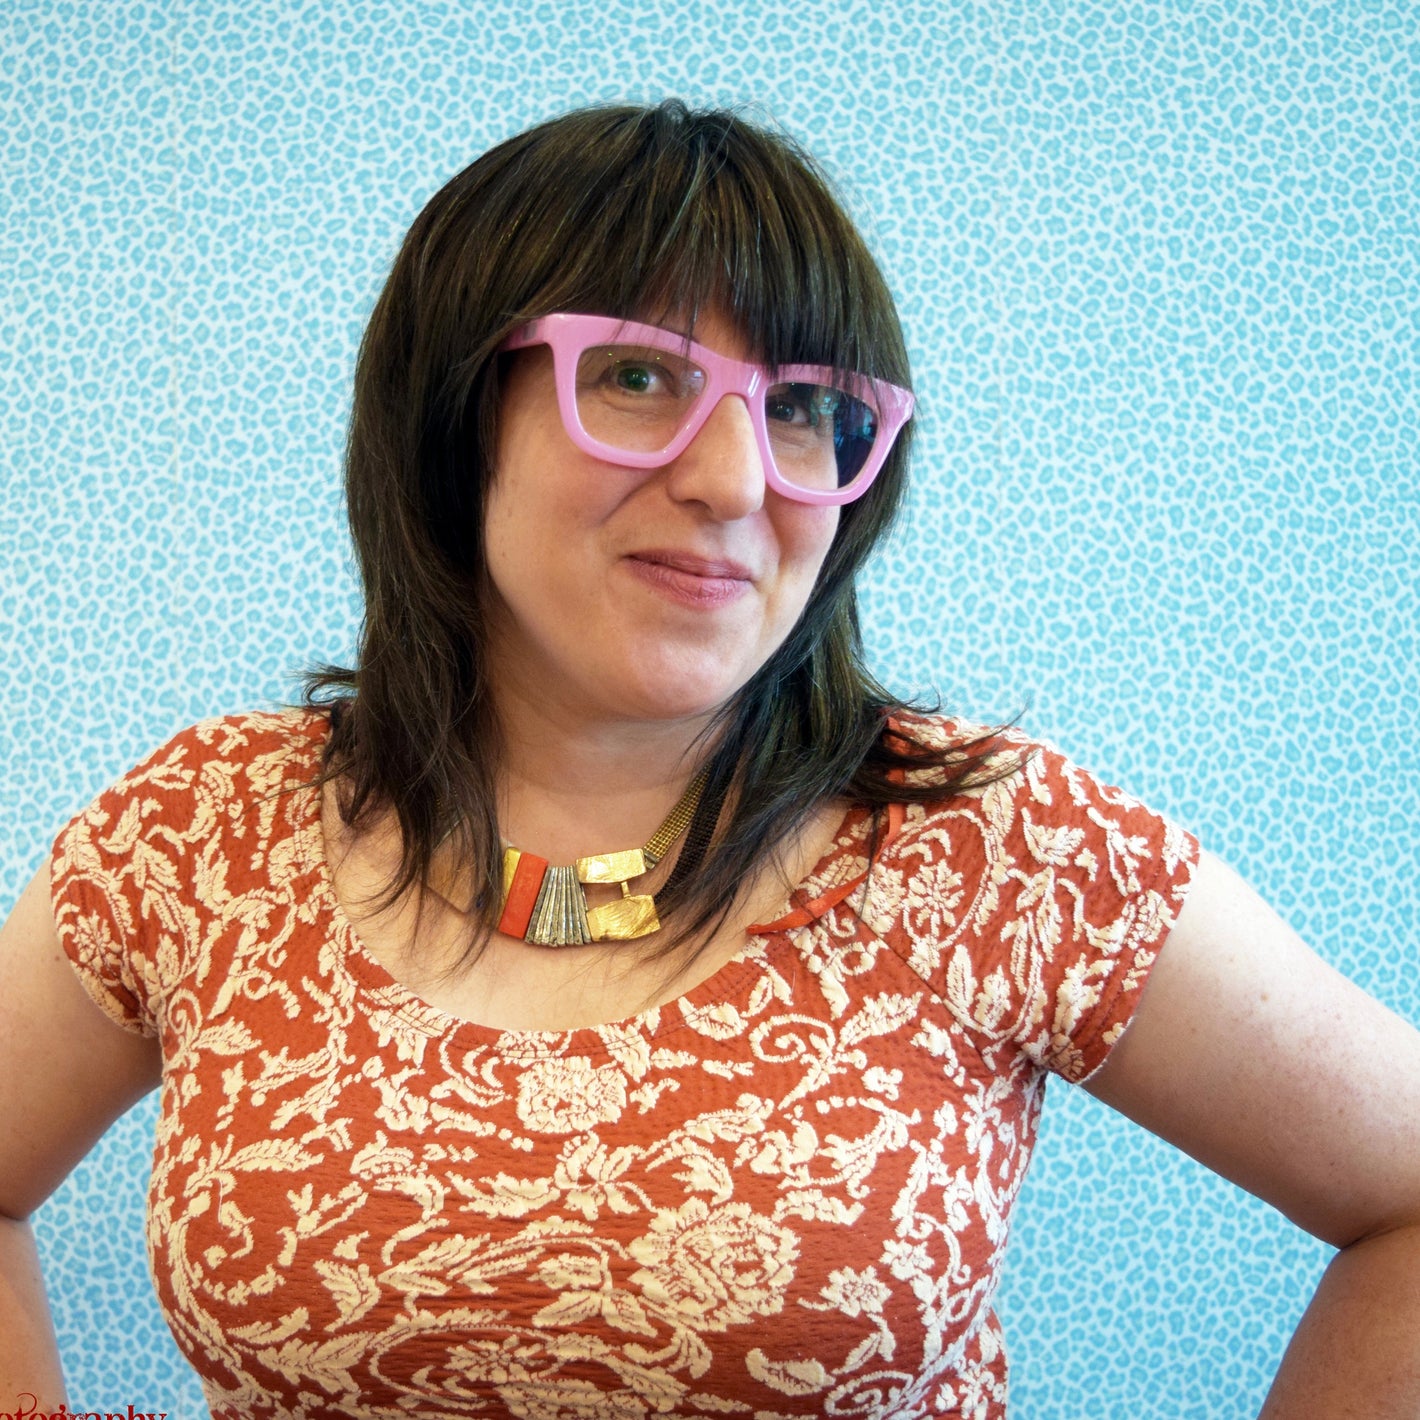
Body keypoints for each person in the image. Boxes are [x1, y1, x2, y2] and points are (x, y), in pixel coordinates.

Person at [1, 99, 1417, 1420]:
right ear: (450, 415)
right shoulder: (201, 834)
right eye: (634, 376)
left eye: (806, 406)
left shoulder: (997, 851)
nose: (739, 480)